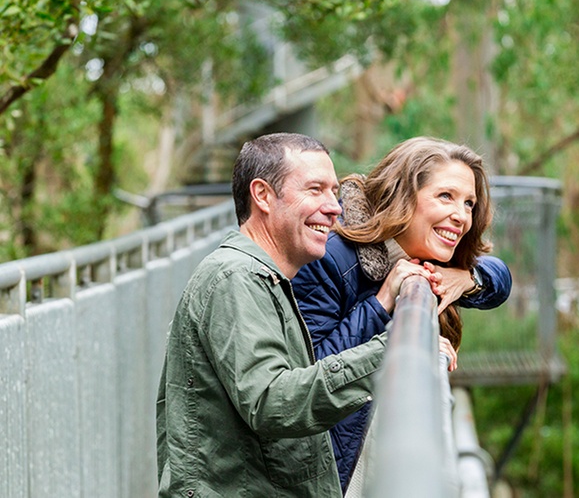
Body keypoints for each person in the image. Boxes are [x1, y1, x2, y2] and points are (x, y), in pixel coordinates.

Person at [156, 133, 398, 497]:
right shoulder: (235, 278)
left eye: (334, 191)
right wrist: (390, 353)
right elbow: (270, 400)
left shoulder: (266, 278)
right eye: (315, 190)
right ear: (263, 196)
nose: (334, 207)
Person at [292, 136, 512, 490]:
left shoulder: (428, 253)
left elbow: (500, 280)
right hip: (324, 470)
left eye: (469, 203)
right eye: (446, 196)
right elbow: (311, 374)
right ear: (403, 195)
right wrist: (382, 303)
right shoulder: (331, 256)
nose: (461, 216)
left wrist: (469, 278)